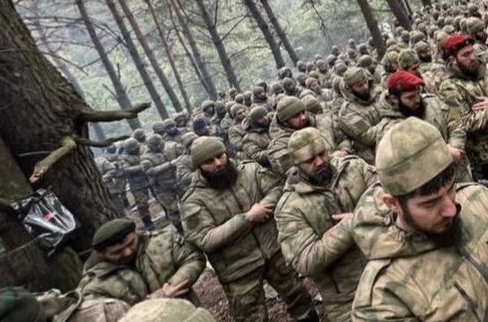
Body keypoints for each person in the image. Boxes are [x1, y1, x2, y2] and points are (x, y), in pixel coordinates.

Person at [350, 118, 488, 321]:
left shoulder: (479, 200)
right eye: (430, 203)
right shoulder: (382, 297)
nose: (451, 209)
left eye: (451, 189)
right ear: (393, 204)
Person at [179, 136, 318, 322]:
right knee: (251, 317)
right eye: (209, 162)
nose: (219, 163)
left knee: (299, 297)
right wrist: (248, 218)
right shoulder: (193, 200)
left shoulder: (250, 170)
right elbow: (205, 239)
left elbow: (277, 189)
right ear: (199, 166)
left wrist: (263, 207)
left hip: (274, 250)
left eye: (220, 156)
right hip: (239, 269)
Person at [275, 128, 374, 321]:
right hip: (347, 299)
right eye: (310, 160)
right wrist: (348, 227)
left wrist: (360, 215)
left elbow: (388, 196)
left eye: (322, 154)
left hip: (389, 266)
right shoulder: (289, 208)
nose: (319, 162)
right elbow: (305, 260)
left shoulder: (353, 167)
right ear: (296, 164)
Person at [435, 34, 488, 188]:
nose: (472, 57)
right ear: (452, 60)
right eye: (465, 55)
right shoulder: (449, 89)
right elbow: (463, 122)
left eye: (472, 51)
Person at [77, 218, 205, 306]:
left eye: (131, 243)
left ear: (135, 233)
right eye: (117, 252)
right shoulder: (93, 284)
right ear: (102, 254)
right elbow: (107, 315)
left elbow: (193, 258)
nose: (127, 252)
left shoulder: (162, 241)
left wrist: (174, 284)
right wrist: (160, 298)